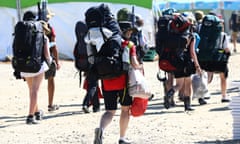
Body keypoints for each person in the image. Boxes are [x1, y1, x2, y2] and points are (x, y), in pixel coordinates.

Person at [94, 21, 142, 144]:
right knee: (125, 109)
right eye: (129, 31)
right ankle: (122, 138)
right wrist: (140, 66)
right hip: (123, 83)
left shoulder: (105, 42)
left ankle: (101, 129)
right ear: (123, 31)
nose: (131, 34)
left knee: (109, 111)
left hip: (106, 82)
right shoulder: (129, 45)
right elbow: (134, 63)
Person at [164, 14, 202, 111]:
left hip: (176, 61)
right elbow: (192, 53)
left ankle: (170, 93)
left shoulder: (174, 35)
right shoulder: (191, 36)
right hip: (187, 61)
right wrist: (197, 66)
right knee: (187, 83)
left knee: (179, 84)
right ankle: (187, 105)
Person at [20, 11, 52, 124]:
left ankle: (37, 112)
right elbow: (47, 55)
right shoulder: (42, 36)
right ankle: (30, 116)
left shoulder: (20, 33)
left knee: (31, 90)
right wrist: (50, 63)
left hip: (23, 66)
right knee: (35, 90)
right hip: (37, 66)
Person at [205, 17, 231, 103]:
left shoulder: (208, 34)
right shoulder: (223, 35)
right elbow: (226, 49)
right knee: (223, 78)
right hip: (220, 58)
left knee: (208, 76)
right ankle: (224, 96)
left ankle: (205, 93)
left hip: (209, 58)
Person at [44, 9, 61, 112]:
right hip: (48, 58)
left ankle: (34, 108)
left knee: (34, 85)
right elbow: (54, 46)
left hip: (34, 59)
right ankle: (50, 105)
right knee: (51, 80)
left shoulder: (33, 27)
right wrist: (57, 61)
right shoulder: (50, 28)